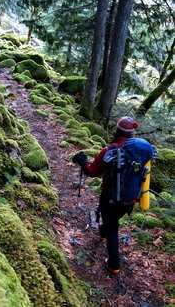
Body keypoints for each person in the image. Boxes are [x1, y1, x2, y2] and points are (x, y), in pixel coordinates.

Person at [72, 116, 140, 274]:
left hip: (110, 196)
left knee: (112, 229)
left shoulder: (109, 150)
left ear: (116, 130)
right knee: (111, 221)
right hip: (131, 197)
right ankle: (103, 231)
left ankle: (114, 265)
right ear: (131, 133)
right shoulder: (137, 151)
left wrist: (83, 161)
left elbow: (91, 171)